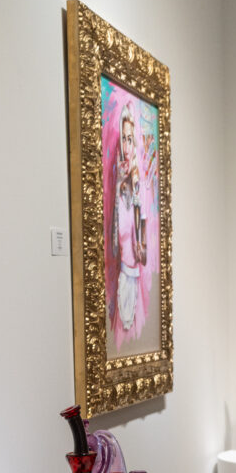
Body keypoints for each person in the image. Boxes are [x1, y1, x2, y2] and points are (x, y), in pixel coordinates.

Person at [111, 102, 148, 337]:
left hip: (132, 267)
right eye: (123, 139)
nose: (127, 146)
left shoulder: (135, 180)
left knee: (127, 321)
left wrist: (140, 242)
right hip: (123, 266)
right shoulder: (120, 179)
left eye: (130, 140)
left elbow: (141, 217)